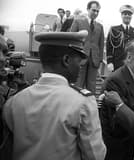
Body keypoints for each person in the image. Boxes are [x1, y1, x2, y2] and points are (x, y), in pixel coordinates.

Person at [1, 31, 106, 160]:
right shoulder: (83, 102)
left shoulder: (13, 102)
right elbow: (95, 155)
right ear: (66, 60)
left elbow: (6, 150)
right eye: (79, 62)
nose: (80, 67)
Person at [71, 1, 105, 94]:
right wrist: (73, 57)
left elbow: (101, 44)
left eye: (98, 11)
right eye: (94, 10)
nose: (96, 13)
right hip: (80, 58)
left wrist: (100, 59)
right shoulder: (78, 22)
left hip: (94, 60)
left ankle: (90, 106)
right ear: (88, 9)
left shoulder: (100, 26)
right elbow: (72, 40)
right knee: (78, 84)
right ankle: (76, 106)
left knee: (91, 86)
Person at [106, 4, 134, 71]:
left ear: (131, 16)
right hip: (117, 63)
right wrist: (109, 62)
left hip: (132, 64)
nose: (127, 16)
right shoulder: (114, 30)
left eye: (129, 14)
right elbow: (109, 47)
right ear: (121, 15)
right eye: (125, 14)